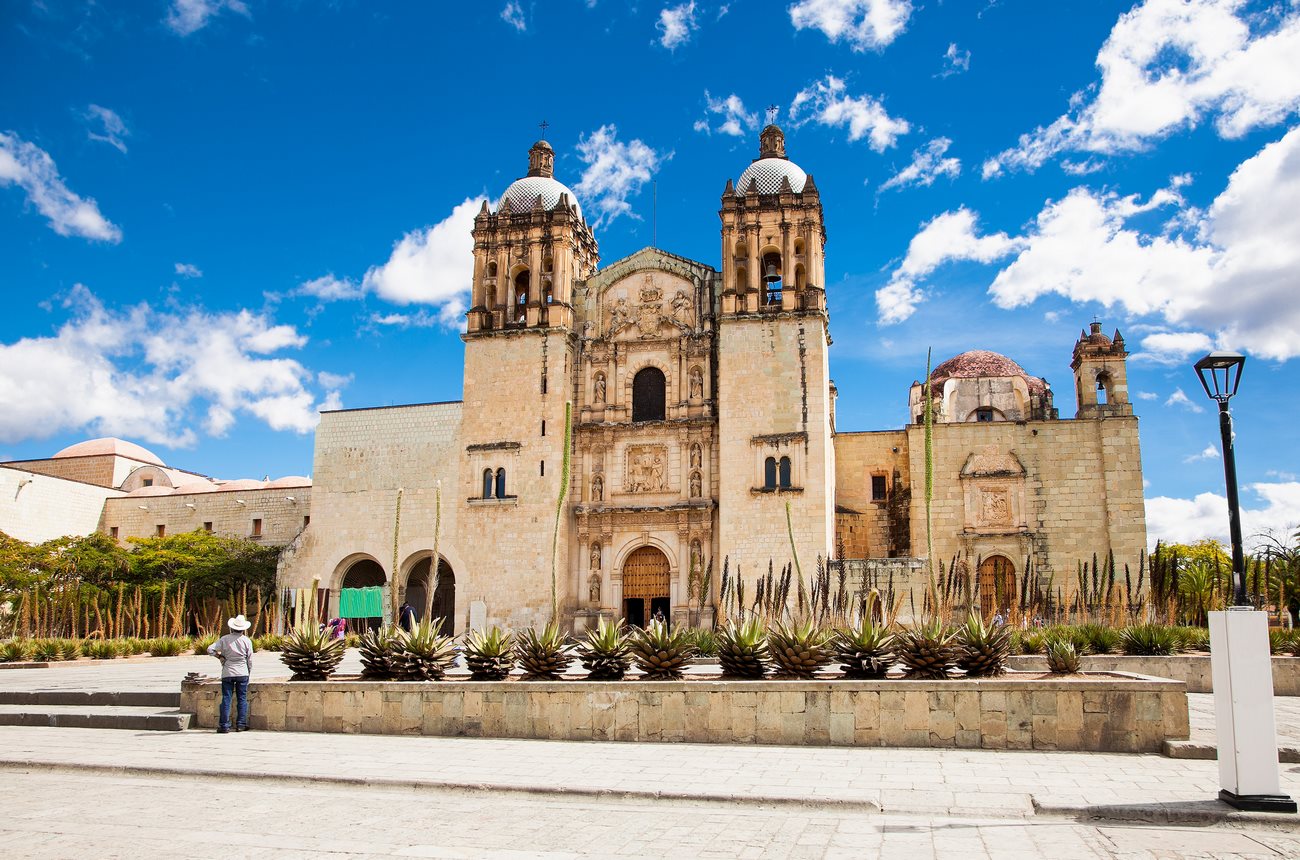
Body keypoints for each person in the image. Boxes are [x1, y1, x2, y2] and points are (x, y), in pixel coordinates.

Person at [207, 614, 255, 734]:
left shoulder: (224, 639)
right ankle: (241, 725)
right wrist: (248, 671)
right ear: (243, 629)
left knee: (226, 699)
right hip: (242, 672)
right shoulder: (246, 641)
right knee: (242, 699)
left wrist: (220, 656)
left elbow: (210, 649)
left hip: (228, 671)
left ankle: (224, 726)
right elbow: (250, 659)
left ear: (232, 628)